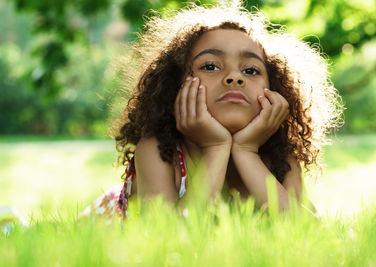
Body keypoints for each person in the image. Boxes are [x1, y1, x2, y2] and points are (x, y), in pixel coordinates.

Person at [79, 2, 343, 221]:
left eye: (250, 70)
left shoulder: (280, 157)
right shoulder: (159, 150)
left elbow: (304, 233)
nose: (234, 78)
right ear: (176, 84)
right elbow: (169, 240)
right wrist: (217, 147)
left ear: (274, 91)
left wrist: (246, 152)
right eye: (210, 66)